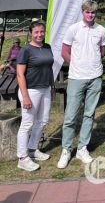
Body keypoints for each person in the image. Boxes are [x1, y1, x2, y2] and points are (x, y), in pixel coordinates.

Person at [57, 0, 105, 169]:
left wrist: (92, 64)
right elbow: (64, 51)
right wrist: (76, 64)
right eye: (87, 12)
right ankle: (66, 150)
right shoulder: (73, 29)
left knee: (89, 114)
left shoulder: (101, 30)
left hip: (95, 77)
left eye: (93, 13)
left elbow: (102, 51)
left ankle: (82, 148)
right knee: (71, 115)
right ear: (83, 12)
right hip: (76, 77)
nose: (90, 15)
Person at [16, 21, 54, 171]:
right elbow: (19, 74)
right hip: (30, 90)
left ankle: (32, 149)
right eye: (36, 32)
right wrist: (25, 97)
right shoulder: (26, 50)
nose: (39, 35)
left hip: (45, 89)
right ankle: (22, 158)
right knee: (27, 124)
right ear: (31, 33)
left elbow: (49, 69)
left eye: (42, 32)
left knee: (42, 120)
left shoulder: (47, 47)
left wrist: (51, 86)